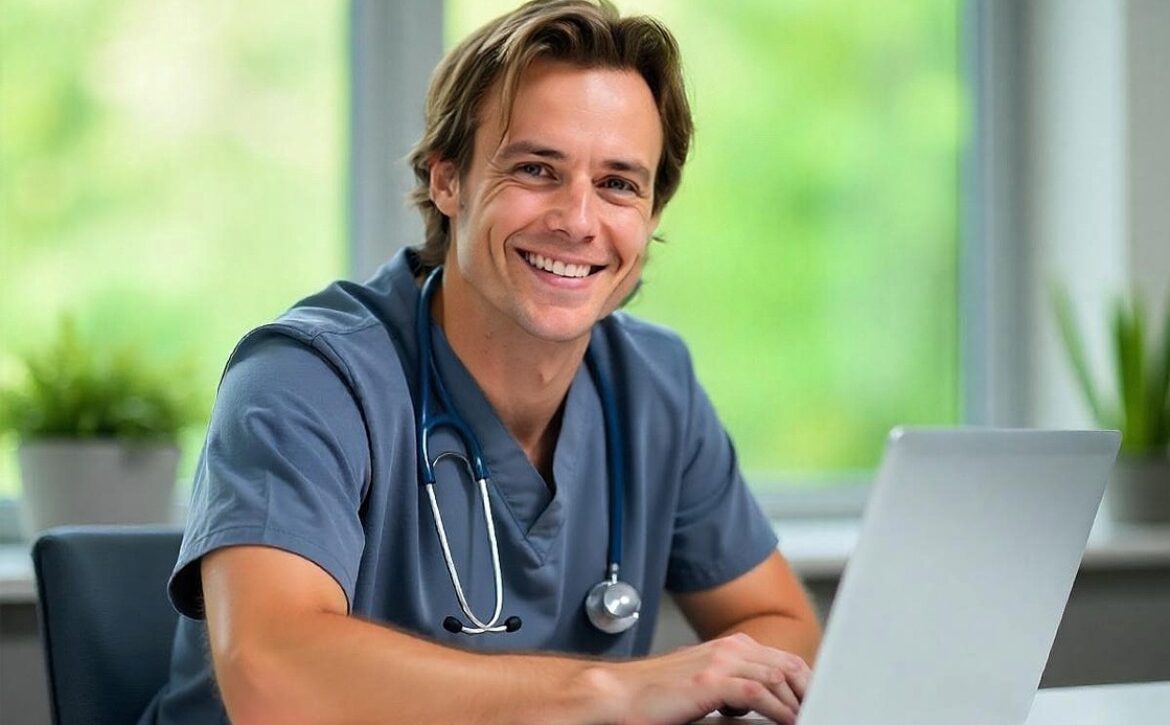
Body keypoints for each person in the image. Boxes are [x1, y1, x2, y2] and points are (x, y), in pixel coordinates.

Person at [141, 1, 821, 723]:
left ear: (651, 217)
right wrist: (612, 691)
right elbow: (271, 675)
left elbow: (784, 628)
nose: (579, 220)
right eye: (536, 169)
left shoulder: (653, 387)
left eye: (619, 183)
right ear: (447, 180)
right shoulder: (304, 378)